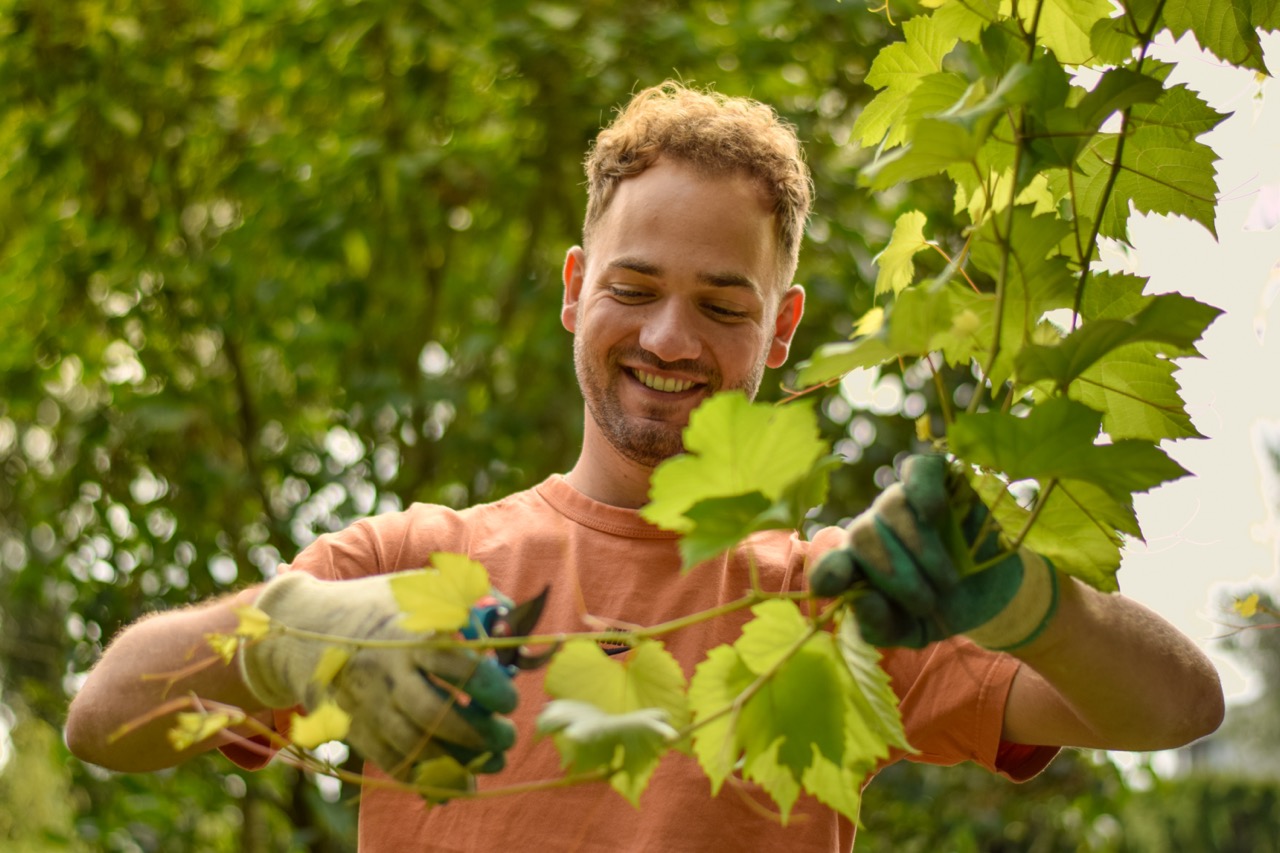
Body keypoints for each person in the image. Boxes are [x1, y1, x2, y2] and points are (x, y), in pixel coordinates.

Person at [65, 81, 1225, 852]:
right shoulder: (416, 563)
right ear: (574, 288)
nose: (669, 339)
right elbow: (105, 716)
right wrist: (288, 633)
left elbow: (1176, 704)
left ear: (780, 331)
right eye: (633, 289)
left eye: (723, 304)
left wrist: (1027, 600)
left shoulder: (834, 603)